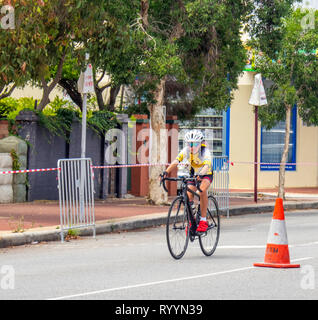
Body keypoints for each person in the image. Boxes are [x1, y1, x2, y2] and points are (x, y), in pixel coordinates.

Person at [161, 129, 213, 233]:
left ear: (201, 143)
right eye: (189, 144)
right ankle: (192, 220)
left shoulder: (205, 151)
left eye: (195, 143)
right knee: (189, 196)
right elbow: (176, 160)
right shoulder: (186, 151)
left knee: (201, 191)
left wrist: (201, 174)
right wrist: (166, 172)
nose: (192, 146)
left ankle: (203, 220)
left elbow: (207, 166)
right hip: (193, 174)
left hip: (206, 174)